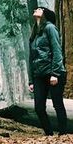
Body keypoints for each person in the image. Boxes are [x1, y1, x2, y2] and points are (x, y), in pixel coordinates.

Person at [28, 7, 67, 136]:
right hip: (39, 75)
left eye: (39, 9)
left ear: (45, 14)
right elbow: (31, 57)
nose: (36, 9)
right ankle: (49, 134)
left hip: (53, 73)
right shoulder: (34, 32)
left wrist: (55, 73)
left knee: (58, 104)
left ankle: (63, 134)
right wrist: (31, 80)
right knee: (38, 107)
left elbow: (57, 51)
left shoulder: (50, 28)